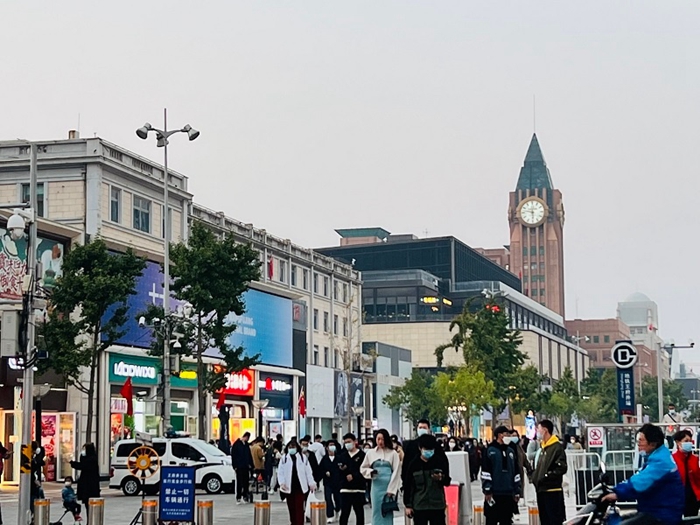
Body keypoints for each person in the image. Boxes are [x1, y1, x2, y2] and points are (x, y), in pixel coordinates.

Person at [602, 423, 684, 525]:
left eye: (641, 440)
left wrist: (617, 493)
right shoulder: (655, 458)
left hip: (663, 515)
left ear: (653, 443)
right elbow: (637, 478)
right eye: (637, 440)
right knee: (615, 520)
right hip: (653, 510)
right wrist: (614, 489)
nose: (638, 444)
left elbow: (639, 484)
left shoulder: (661, 462)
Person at [404, 434, 451, 525]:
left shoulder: (440, 462)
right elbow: (408, 485)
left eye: (431, 449)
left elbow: (447, 481)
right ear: (420, 448)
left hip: (437, 505)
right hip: (419, 505)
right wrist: (408, 505)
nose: (428, 452)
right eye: (426, 449)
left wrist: (441, 478)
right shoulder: (414, 465)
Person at [361, 429, 402, 525]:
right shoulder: (371, 453)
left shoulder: (393, 453)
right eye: (378, 439)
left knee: (387, 511)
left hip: (388, 485)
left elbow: (396, 471)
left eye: (382, 439)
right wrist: (370, 472)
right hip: (376, 486)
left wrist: (392, 489)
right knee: (376, 511)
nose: (380, 442)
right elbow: (363, 468)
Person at [481, 426, 520, 525]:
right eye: (506, 434)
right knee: (491, 520)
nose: (509, 437)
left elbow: (516, 471)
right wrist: (487, 489)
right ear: (500, 435)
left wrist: (517, 490)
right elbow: (485, 471)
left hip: (508, 493)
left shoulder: (511, 451)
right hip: (494, 493)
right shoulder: (490, 450)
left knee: (506, 520)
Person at [531, 420, 567, 525]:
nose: (537, 431)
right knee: (544, 520)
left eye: (538, 429)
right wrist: (535, 477)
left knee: (554, 519)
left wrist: (547, 476)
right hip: (541, 490)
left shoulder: (556, 447)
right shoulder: (543, 447)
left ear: (545, 430)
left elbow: (561, 468)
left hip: (552, 490)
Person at [278, 440, 317, 525]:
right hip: (289, 487)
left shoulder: (303, 457)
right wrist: (282, 483)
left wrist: (311, 483)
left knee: (299, 508)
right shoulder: (284, 458)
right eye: (290, 447)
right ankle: (293, 522)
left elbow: (308, 471)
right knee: (291, 508)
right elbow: (280, 472)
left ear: (297, 448)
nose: (292, 449)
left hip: (300, 487)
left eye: (293, 447)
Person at [402, 420, 448, 487]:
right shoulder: (411, 445)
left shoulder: (435, 445)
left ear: (428, 429)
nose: (422, 430)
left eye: (424, 428)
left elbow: (444, 463)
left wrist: (444, 477)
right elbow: (406, 464)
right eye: (420, 427)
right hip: (416, 482)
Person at [337, 433, 366, 525]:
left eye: (349, 442)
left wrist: (354, 476)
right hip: (345, 489)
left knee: (359, 513)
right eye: (345, 442)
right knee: (344, 513)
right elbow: (339, 471)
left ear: (355, 442)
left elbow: (364, 470)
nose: (347, 444)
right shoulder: (342, 456)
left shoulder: (362, 455)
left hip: (358, 489)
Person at [671, 429, 700, 517]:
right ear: (678, 442)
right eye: (686, 441)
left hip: (693, 496)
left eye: (690, 441)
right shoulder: (672, 459)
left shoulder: (695, 459)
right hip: (677, 497)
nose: (689, 443)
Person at [70, 443, 100, 518]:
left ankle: (91, 520)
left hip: (90, 487)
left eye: (84, 449)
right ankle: (90, 520)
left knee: (90, 505)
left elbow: (82, 465)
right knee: (88, 504)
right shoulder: (91, 458)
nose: (83, 451)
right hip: (88, 485)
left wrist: (73, 463)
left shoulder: (92, 459)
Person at [319, 440, 342, 524]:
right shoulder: (324, 459)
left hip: (338, 482)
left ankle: (337, 510)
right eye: (330, 445)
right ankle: (330, 515)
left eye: (333, 445)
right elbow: (320, 469)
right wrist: (325, 473)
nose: (332, 447)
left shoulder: (339, 458)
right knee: (328, 498)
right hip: (328, 482)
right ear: (327, 448)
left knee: (338, 499)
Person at [231, 432, 254, 503]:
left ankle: (245, 496)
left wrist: (251, 464)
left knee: (246, 482)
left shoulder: (246, 445)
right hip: (239, 466)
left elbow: (249, 455)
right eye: (247, 438)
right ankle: (238, 497)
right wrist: (234, 466)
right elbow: (233, 456)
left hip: (245, 466)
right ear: (245, 437)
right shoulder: (236, 444)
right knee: (239, 482)